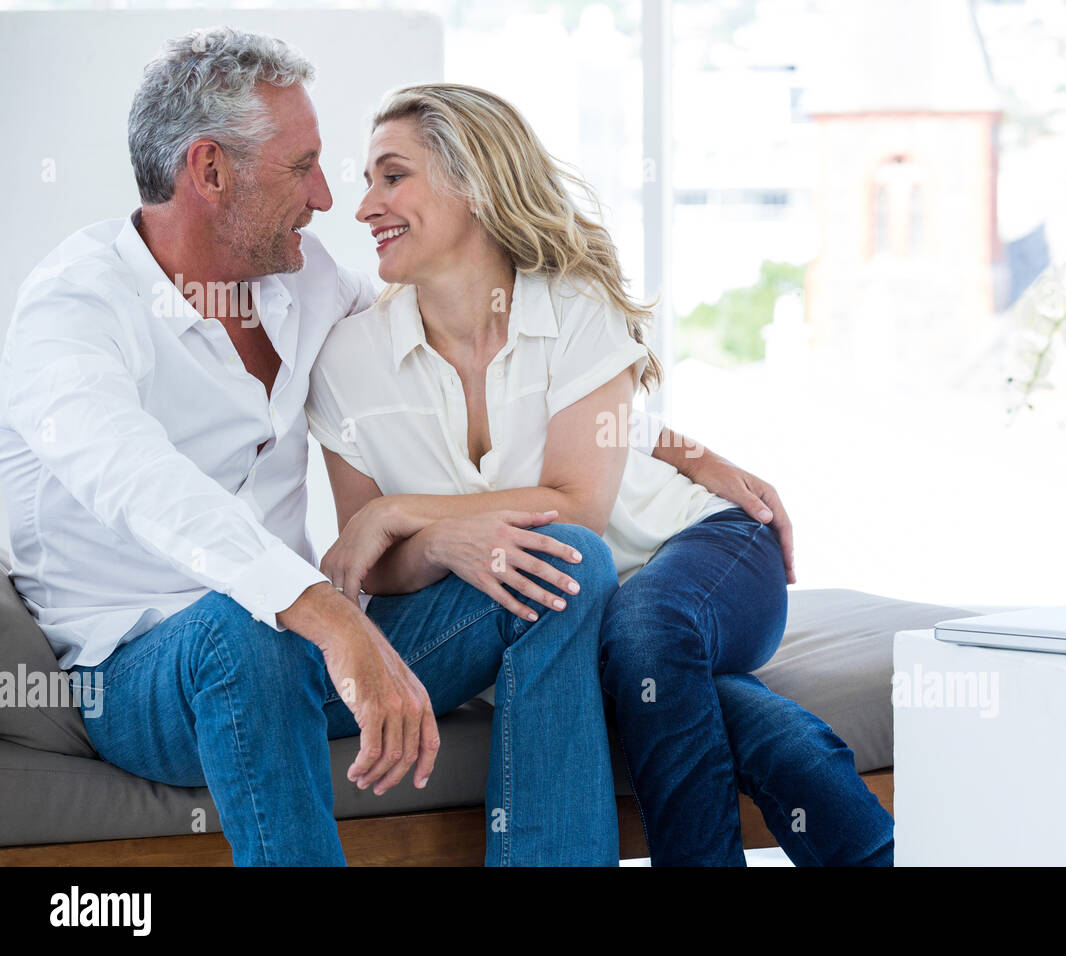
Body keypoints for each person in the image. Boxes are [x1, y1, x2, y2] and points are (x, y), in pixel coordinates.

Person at [0, 27, 624, 866]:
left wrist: (671, 444)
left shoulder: (302, 277)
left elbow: (442, 302)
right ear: (211, 171)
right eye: (303, 168)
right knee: (241, 625)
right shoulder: (73, 312)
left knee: (567, 565)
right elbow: (137, 481)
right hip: (145, 673)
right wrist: (327, 615)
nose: (330, 198)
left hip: (306, 652)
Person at [306, 83, 895, 865]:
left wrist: (400, 509)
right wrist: (433, 541)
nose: (364, 206)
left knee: (644, 638)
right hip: (565, 605)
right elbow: (377, 569)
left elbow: (578, 507)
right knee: (678, 686)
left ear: (474, 182)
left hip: (696, 551)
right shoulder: (349, 360)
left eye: (392, 176)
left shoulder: (573, 306)